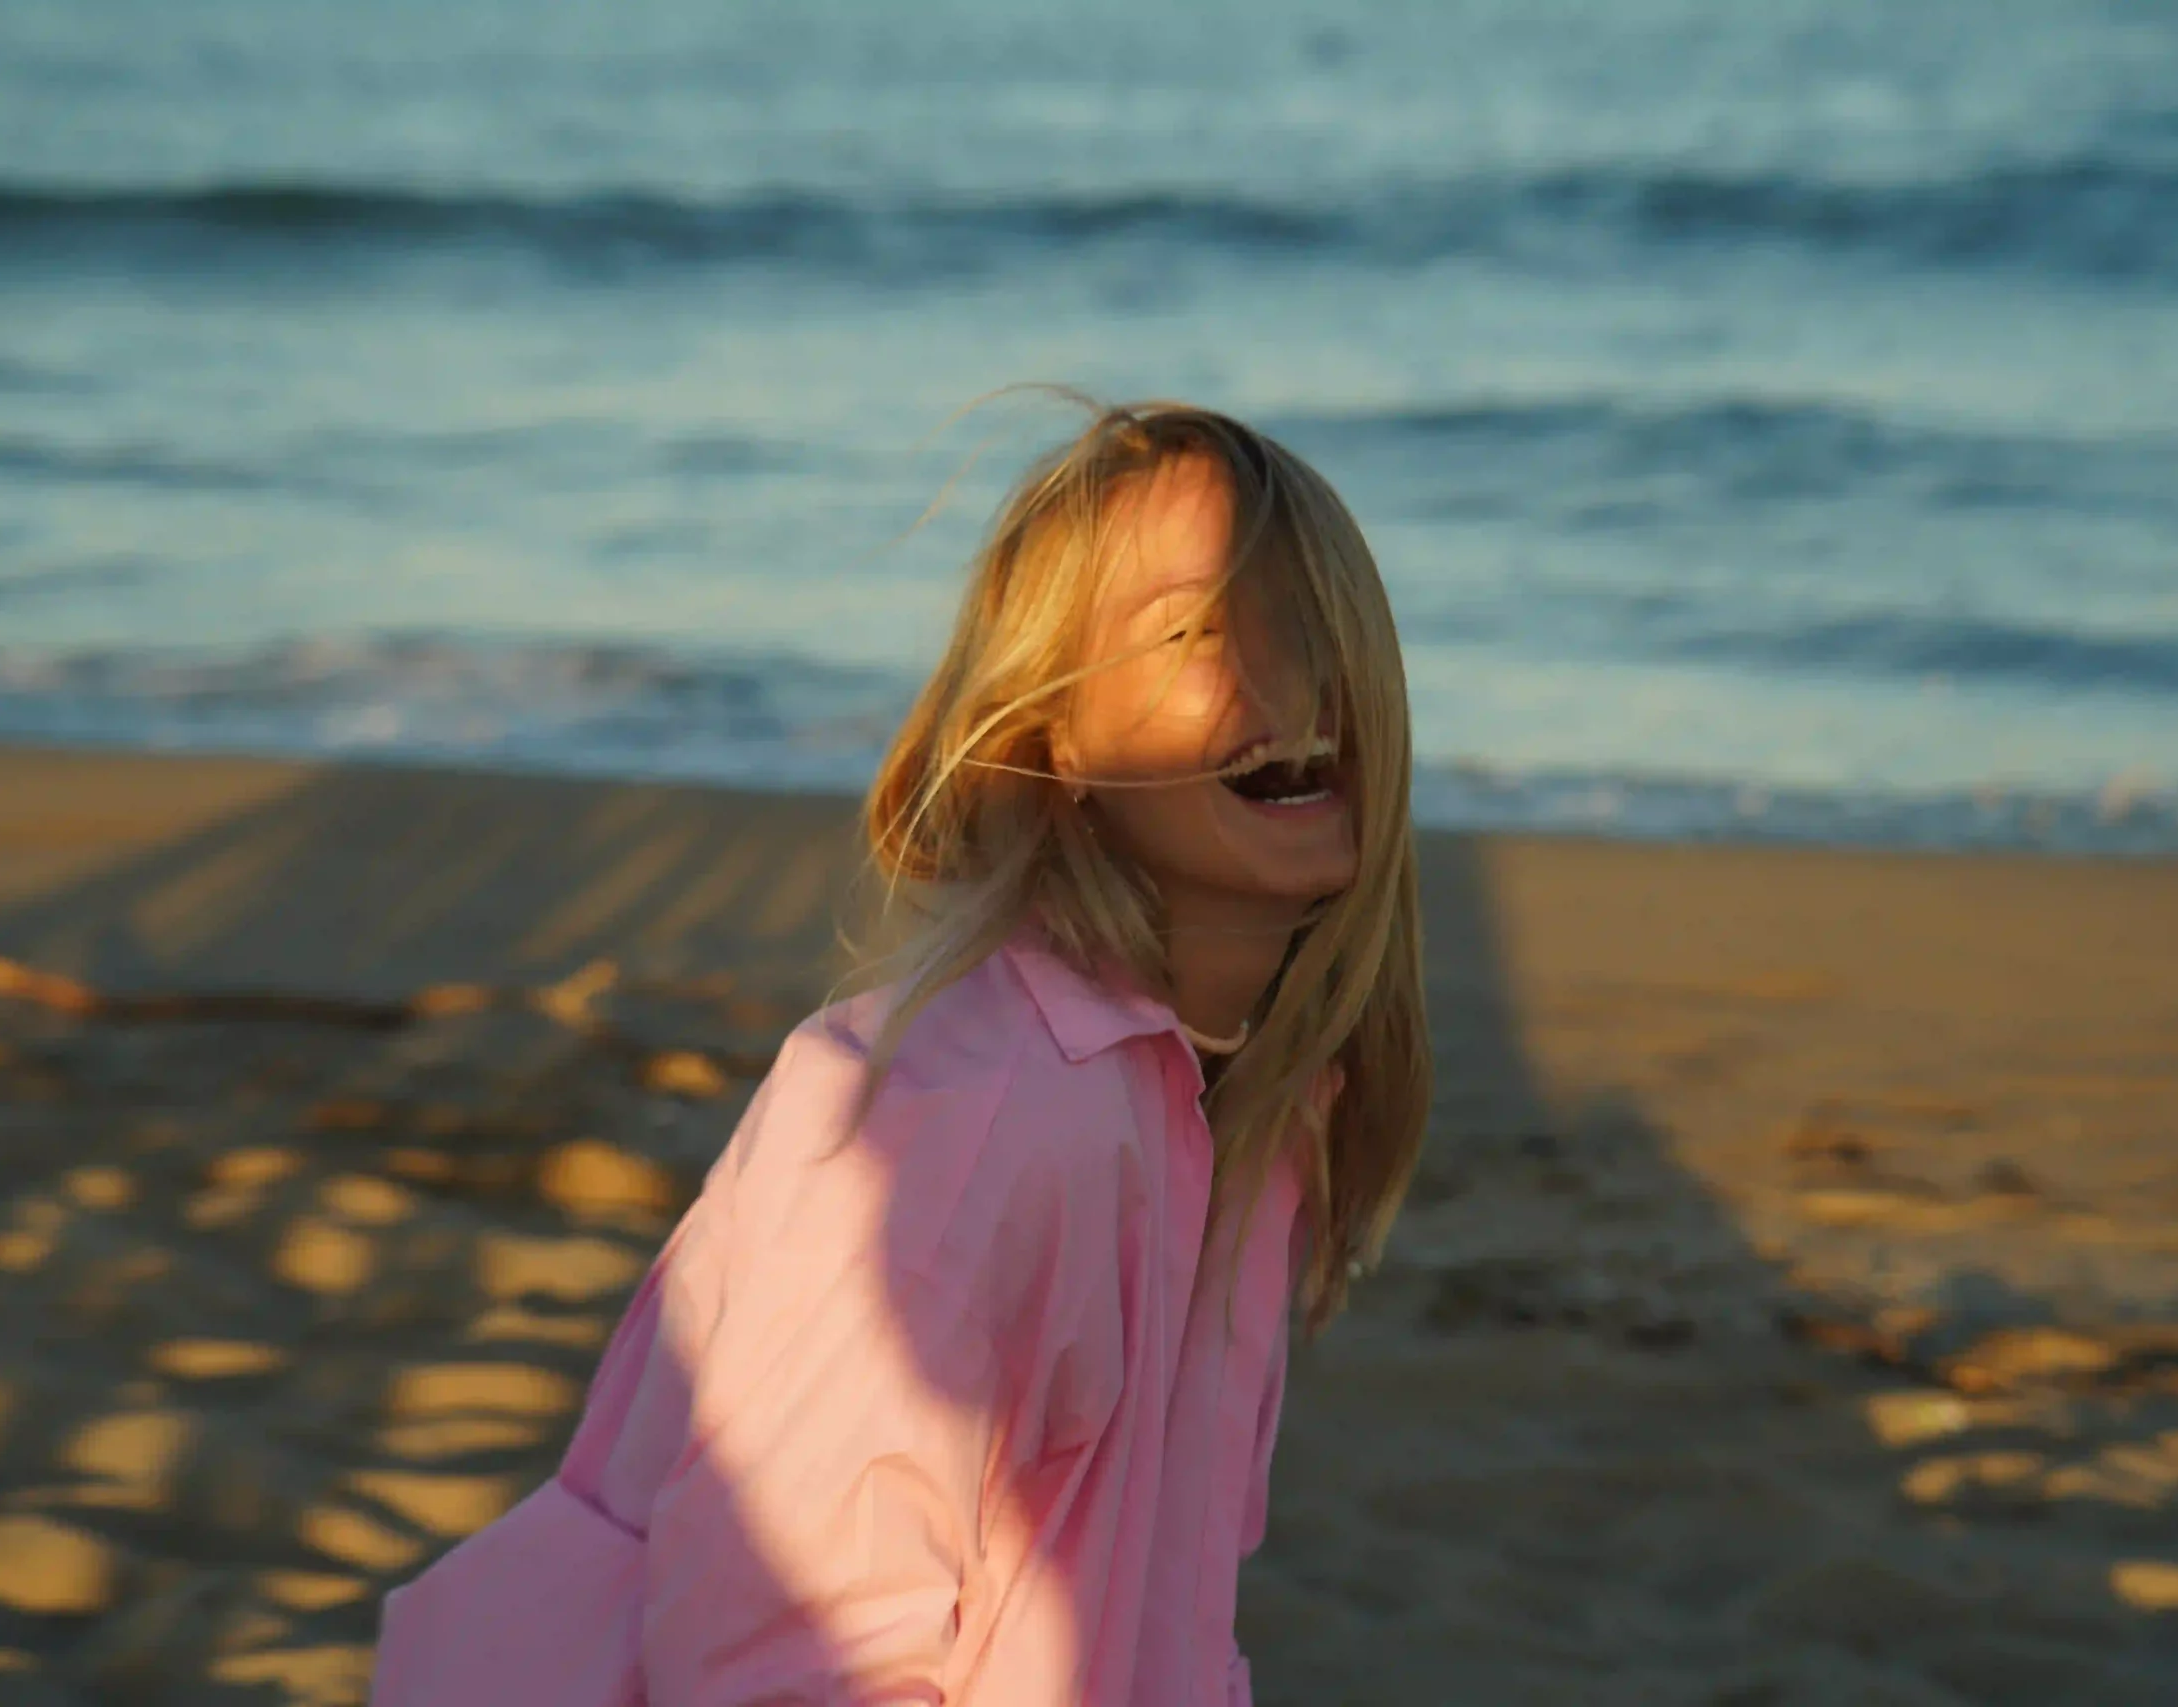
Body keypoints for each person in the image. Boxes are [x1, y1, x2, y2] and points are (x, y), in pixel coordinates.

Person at [369, 400, 1431, 1705]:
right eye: (1199, 625)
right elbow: (787, 1659)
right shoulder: (975, 1113)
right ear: (1053, 743)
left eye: (1316, 616)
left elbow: (1167, 1618)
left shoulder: (1251, 1121)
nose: (1290, 672)